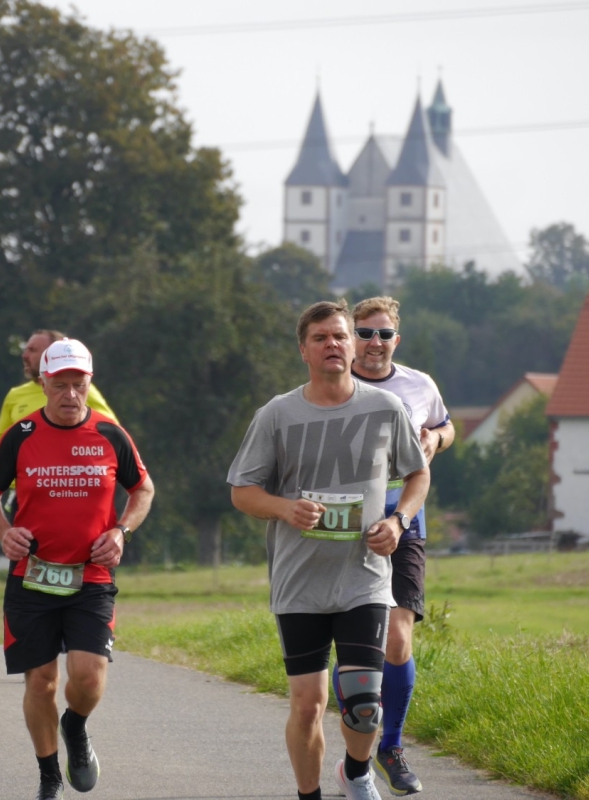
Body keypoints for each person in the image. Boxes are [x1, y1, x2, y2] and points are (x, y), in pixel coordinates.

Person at [227, 300, 429, 800]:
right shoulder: (276, 415)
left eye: (341, 336)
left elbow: (418, 473)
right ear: (304, 351)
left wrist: (398, 520)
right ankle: (308, 794)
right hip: (299, 581)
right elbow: (242, 491)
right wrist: (283, 508)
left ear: (352, 344)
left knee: (364, 702)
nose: (334, 345)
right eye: (321, 338)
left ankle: (357, 773)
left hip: (363, 576)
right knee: (307, 703)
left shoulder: (385, 409)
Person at [0, 338, 155, 800]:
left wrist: (121, 532)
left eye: (79, 385)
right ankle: (49, 777)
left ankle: (74, 725)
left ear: (89, 384)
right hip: (32, 577)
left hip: (90, 578)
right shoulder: (21, 435)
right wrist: (3, 532)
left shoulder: (110, 433)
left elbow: (143, 490)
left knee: (89, 675)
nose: (71, 395)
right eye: (60, 386)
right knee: (41, 681)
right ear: (43, 383)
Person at [346, 296, 455, 796]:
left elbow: (446, 424)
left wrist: (436, 439)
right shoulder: (334, 381)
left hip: (404, 517)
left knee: (397, 638)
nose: (374, 343)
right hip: (344, 523)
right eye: (364, 333)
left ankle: (389, 745)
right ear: (351, 337)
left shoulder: (419, 384)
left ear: (397, 339)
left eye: (383, 334)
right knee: (357, 646)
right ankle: (357, 747)